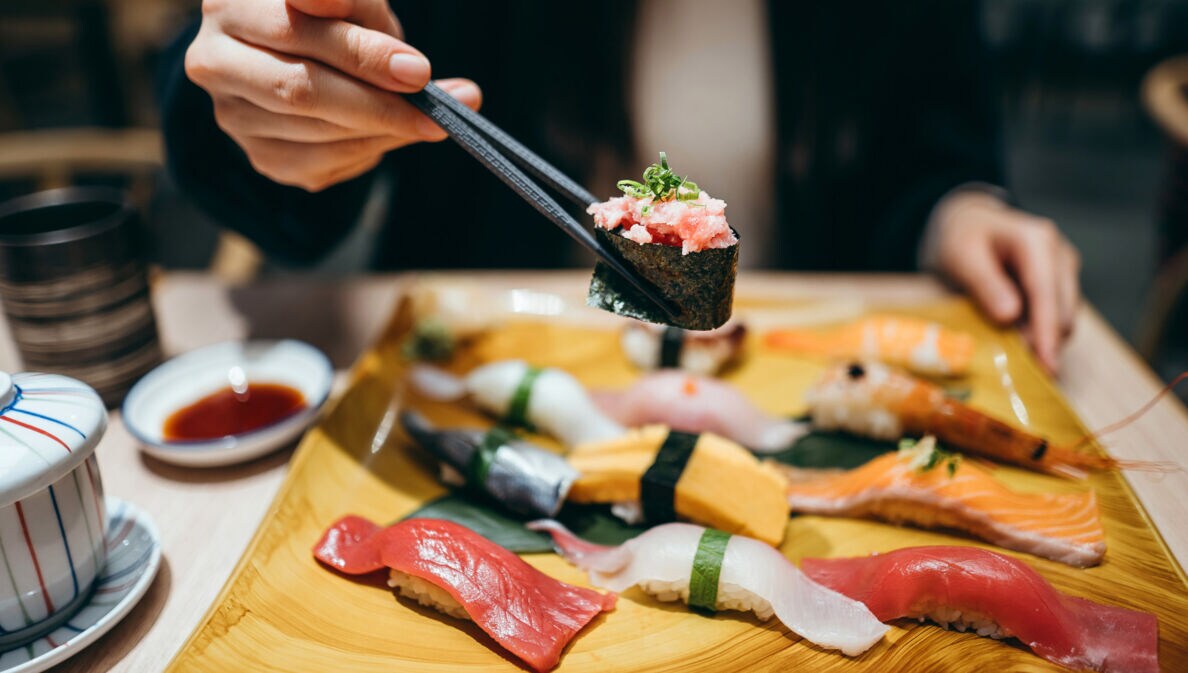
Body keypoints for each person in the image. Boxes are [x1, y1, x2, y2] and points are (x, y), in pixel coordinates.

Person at [160, 0, 1081, 373]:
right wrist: (272, 95)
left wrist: (955, 210)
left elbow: (927, 148)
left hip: (794, 358)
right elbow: (270, 169)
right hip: (482, 364)